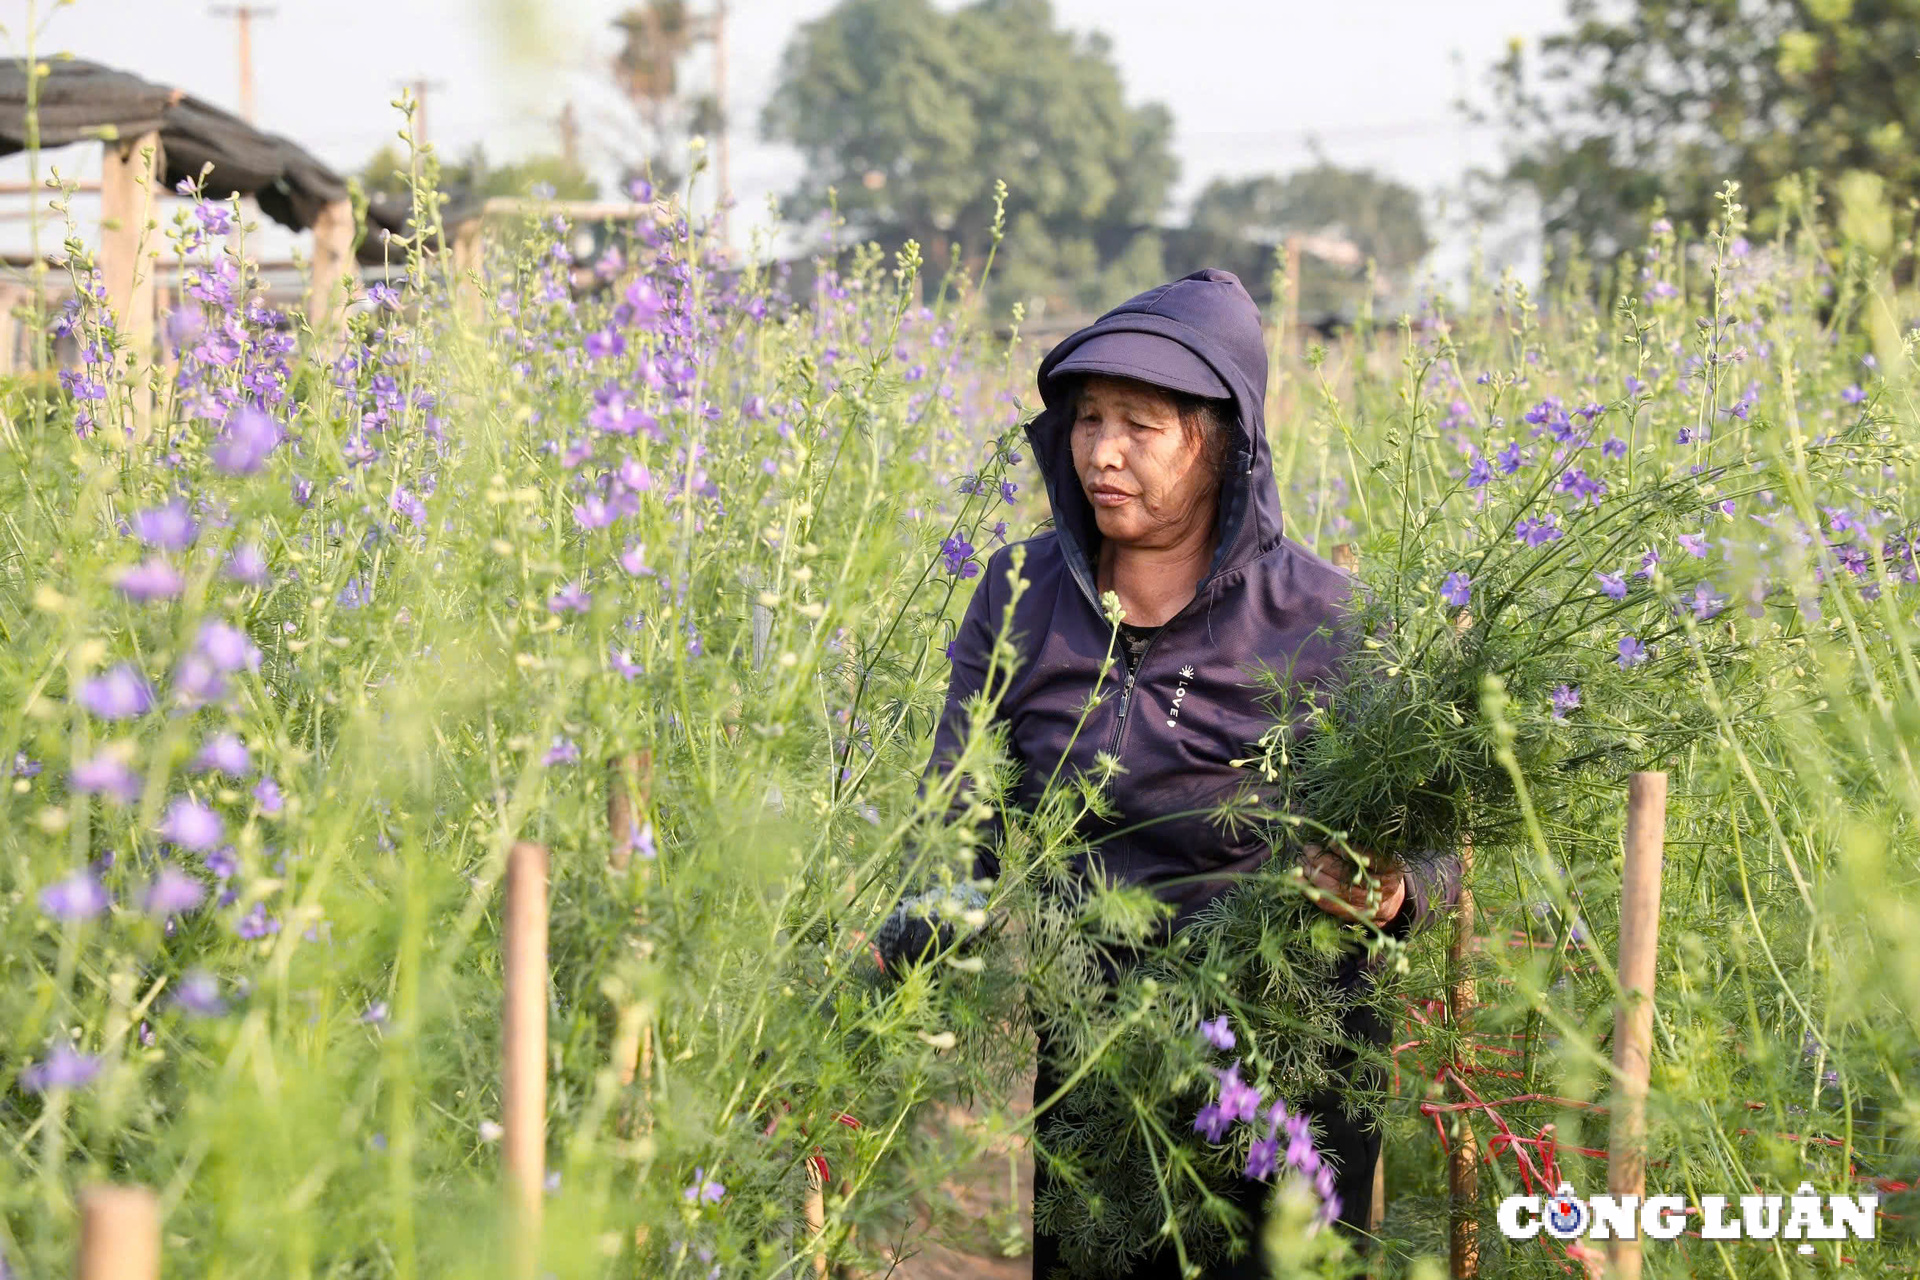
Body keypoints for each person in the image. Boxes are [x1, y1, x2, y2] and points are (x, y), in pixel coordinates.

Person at [885, 269, 1461, 1279]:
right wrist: (906, 947)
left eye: (1141, 425)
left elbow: (1433, 843)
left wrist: (1398, 885)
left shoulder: (1330, 623)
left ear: (1223, 443)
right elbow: (959, 816)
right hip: (1101, 1048)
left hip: (1293, 1057)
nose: (1102, 451)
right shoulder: (1022, 599)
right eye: (1087, 418)